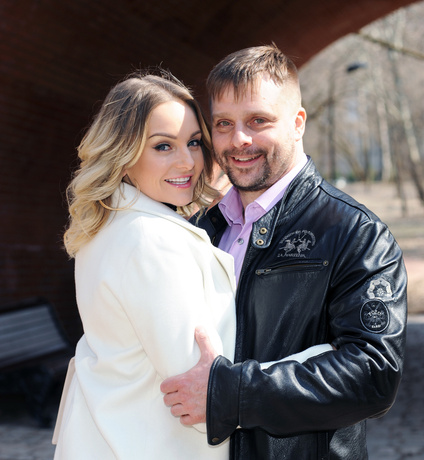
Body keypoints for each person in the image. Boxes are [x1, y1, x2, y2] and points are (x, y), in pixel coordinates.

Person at [160, 44, 408, 459]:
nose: (239, 139)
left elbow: (373, 373)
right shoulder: (198, 230)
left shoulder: (355, 233)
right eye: (223, 124)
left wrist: (231, 393)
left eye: (258, 120)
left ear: (297, 124)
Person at [51, 71, 239, 459]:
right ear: (124, 155)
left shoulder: (107, 226)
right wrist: (311, 360)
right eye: (163, 146)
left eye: (193, 142)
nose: (188, 161)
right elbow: (200, 392)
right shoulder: (152, 239)